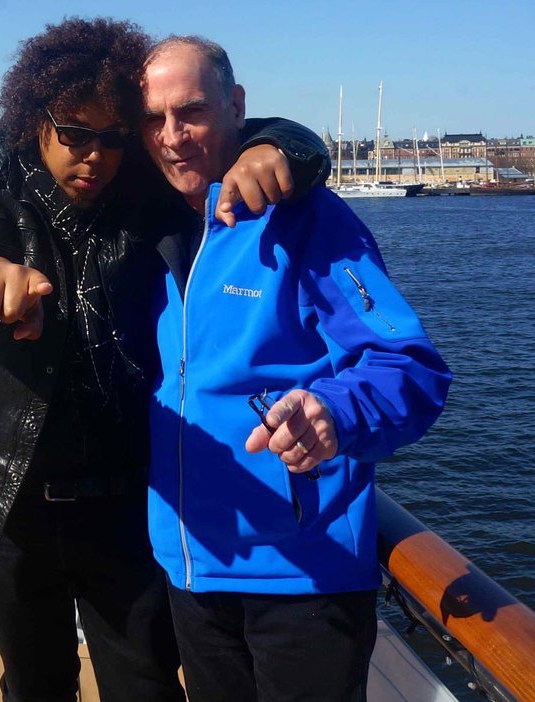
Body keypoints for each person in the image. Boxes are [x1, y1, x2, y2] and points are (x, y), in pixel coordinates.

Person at [0, 17, 330, 702]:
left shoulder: (143, 180)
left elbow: (291, 141)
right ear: (33, 119)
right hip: (6, 495)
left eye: (113, 137)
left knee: (145, 681)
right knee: (34, 684)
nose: (96, 157)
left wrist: (275, 149)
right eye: (75, 134)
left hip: (126, 492)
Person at [139, 36, 453, 702]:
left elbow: (411, 367)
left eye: (190, 111)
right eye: (154, 118)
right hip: (192, 567)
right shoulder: (156, 225)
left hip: (302, 577)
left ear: (236, 106)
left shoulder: (304, 218)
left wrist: (334, 412)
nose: (171, 136)